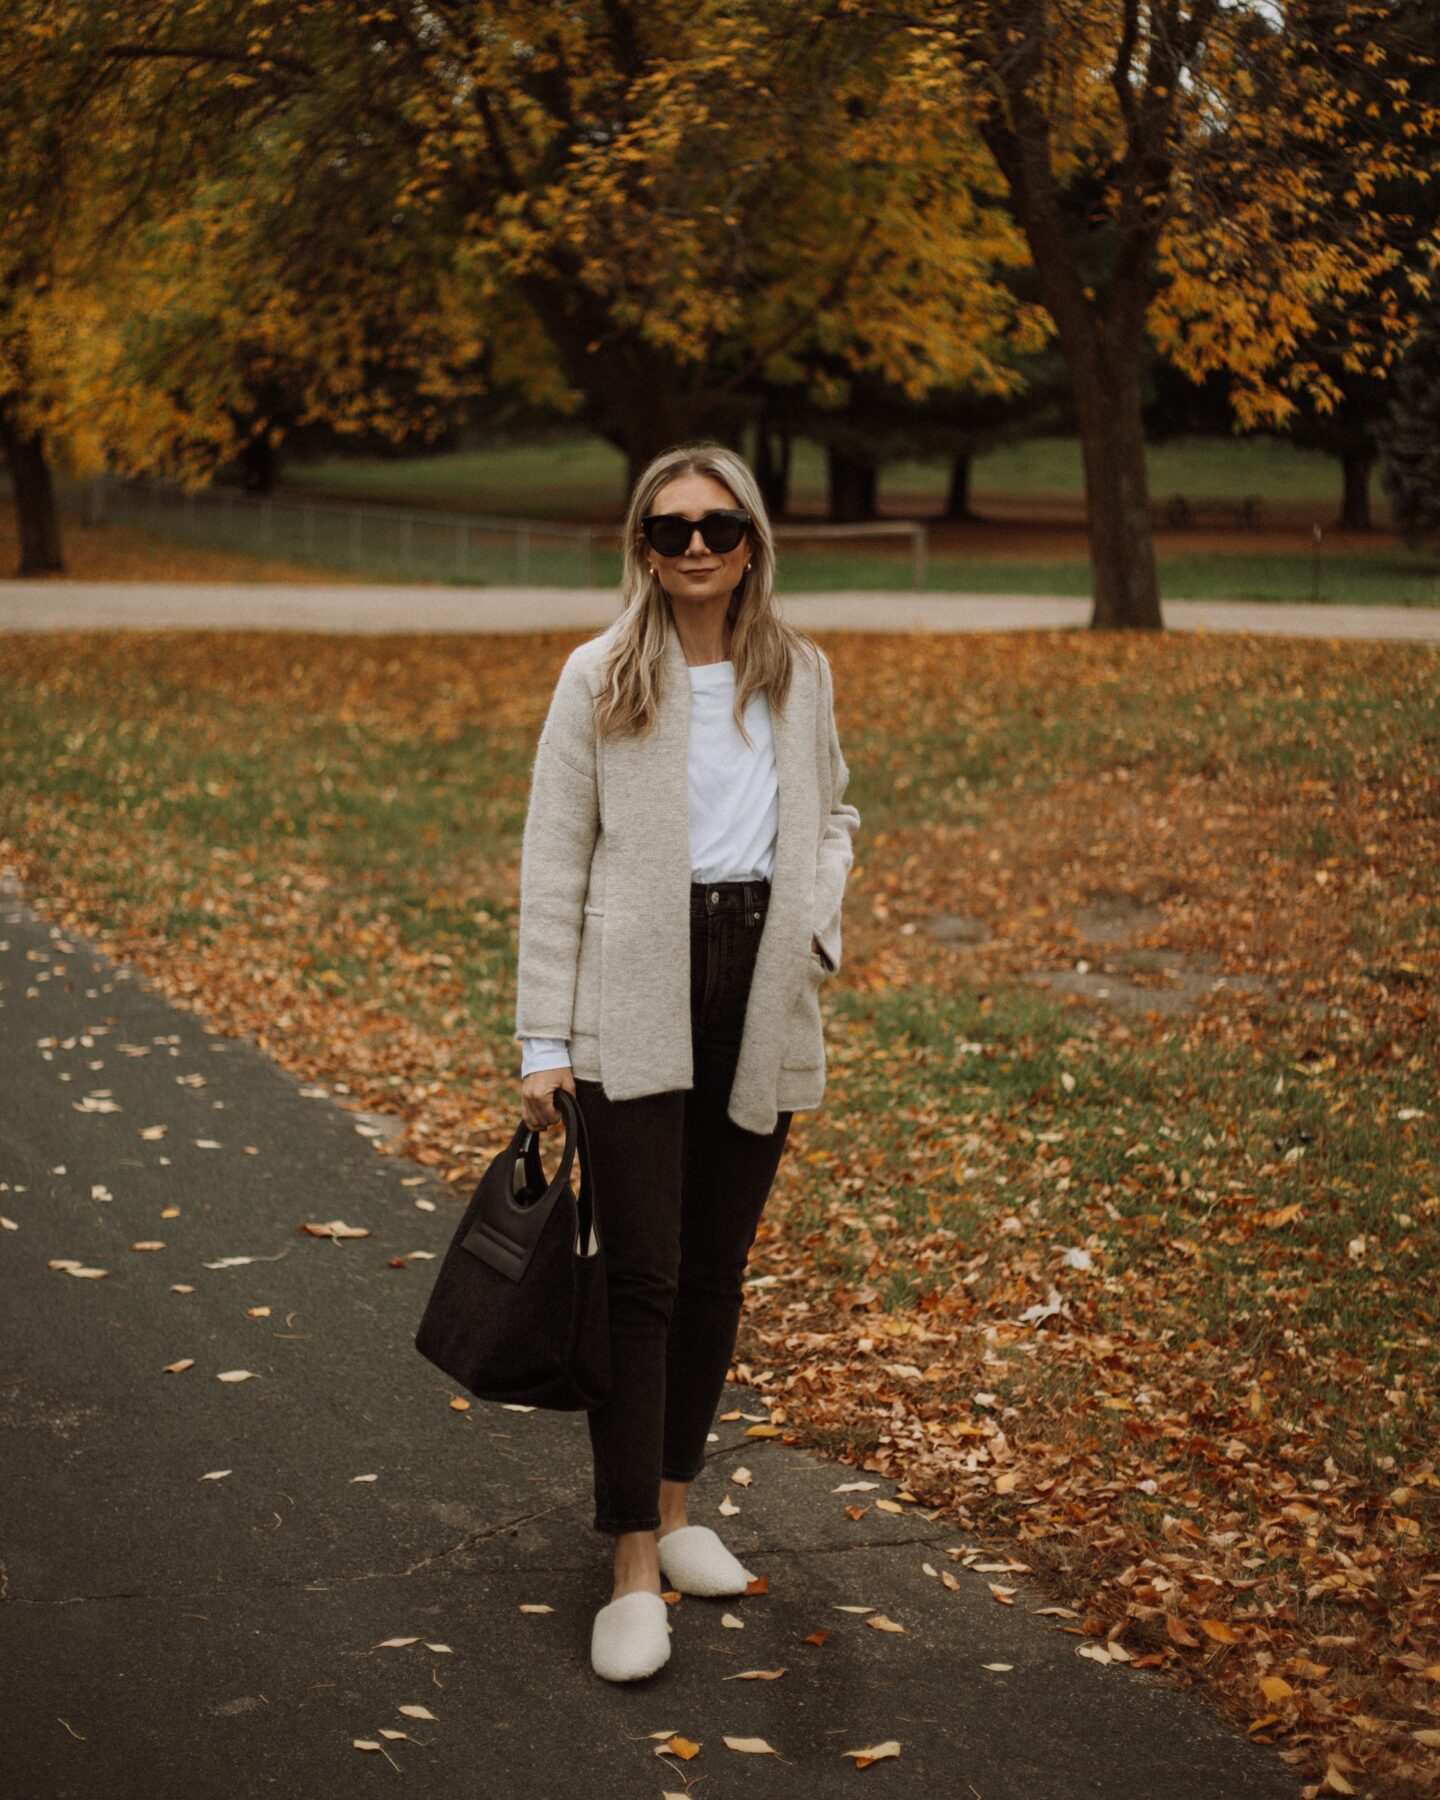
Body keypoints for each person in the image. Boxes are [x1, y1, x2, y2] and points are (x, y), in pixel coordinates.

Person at [513, 442, 860, 1682]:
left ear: (754, 541)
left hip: (756, 989)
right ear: (642, 550)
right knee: (640, 1278)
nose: (697, 546)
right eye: (671, 530)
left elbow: (832, 813)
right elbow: (555, 860)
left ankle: (674, 1510)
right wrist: (544, 1041)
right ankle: (627, 1566)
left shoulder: (799, 676)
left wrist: (816, 927)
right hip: (635, 997)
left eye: (718, 525)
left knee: (714, 1271)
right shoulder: (601, 677)